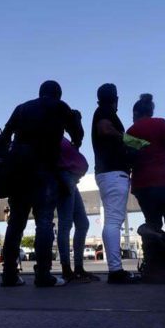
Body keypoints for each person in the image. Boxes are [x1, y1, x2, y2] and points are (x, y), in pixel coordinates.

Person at [0, 80, 84, 287]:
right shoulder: (60, 107)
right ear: (58, 94)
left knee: (16, 222)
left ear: (40, 93)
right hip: (44, 170)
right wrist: (75, 120)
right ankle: (43, 275)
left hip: (19, 172)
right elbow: (77, 137)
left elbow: (4, 138)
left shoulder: (22, 108)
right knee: (44, 222)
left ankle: (9, 274)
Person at [92, 83, 140, 284]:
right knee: (113, 220)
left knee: (113, 220)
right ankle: (115, 270)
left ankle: (115, 268)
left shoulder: (100, 110)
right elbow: (104, 129)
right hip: (113, 172)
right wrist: (129, 140)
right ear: (116, 99)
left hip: (107, 173)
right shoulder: (105, 111)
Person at [126, 94, 165, 253]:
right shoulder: (161, 123)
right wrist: (160, 153)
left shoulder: (131, 131)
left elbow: (129, 158)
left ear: (136, 113)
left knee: (152, 224)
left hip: (144, 184)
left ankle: (155, 266)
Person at [57, 120, 96, 283]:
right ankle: (67, 269)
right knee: (66, 224)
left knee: (82, 223)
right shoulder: (52, 137)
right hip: (65, 178)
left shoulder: (61, 137)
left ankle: (78, 268)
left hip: (71, 179)